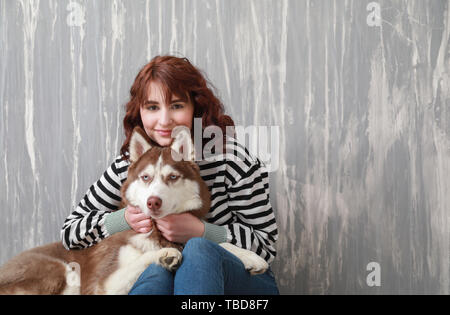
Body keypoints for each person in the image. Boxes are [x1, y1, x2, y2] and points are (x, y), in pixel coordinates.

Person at [61, 55, 279, 295]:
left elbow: (266, 245)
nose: (164, 120)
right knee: (155, 267)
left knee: (197, 250)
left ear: (196, 107)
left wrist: (203, 231)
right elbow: (71, 233)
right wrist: (123, 219)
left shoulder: (231, 159)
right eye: (152, 107)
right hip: (170, 279)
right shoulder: (131, 164)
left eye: (176, 105)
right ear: (140, 111)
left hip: (242, 281)